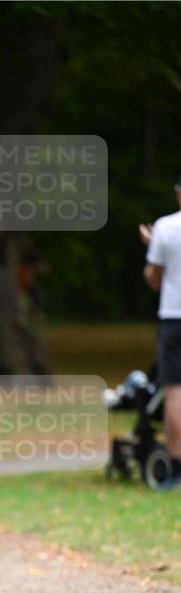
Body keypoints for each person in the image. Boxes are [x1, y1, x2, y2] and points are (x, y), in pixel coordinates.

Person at [140, 174, 181, 489]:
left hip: (174, 316)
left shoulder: (166, 227)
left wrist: (153, 246)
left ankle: (177, 468)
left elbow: (153, 278)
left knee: (175, 391)